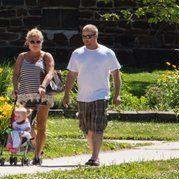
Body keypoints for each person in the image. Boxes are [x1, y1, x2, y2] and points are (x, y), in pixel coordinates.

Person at [62, 24, 122, 166]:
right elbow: (71, 75)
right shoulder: (77, 53)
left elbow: (116, 74)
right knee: (86, 128)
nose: (86, 39)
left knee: (97, 126)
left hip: (101, 95)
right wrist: (66, 94)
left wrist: (117, 94)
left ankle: (95, 157)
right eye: (83, 36)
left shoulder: (107, 53)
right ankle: (93, 153)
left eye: (89, 36)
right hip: (83, 96)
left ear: (96, 36)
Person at [12, 28, 55, 165]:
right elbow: (15, 74)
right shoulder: (22, 56)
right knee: (26, 125)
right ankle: (37, 147)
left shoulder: (46, 56)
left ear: (42, 42)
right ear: (27, 42)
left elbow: (50, 73)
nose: (35, 43)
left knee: (41, 125)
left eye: (38, 41)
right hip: (25, 95)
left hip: (43, 95)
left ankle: (37, 156)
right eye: (32, 41)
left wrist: (43, 85)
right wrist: (15, 88)